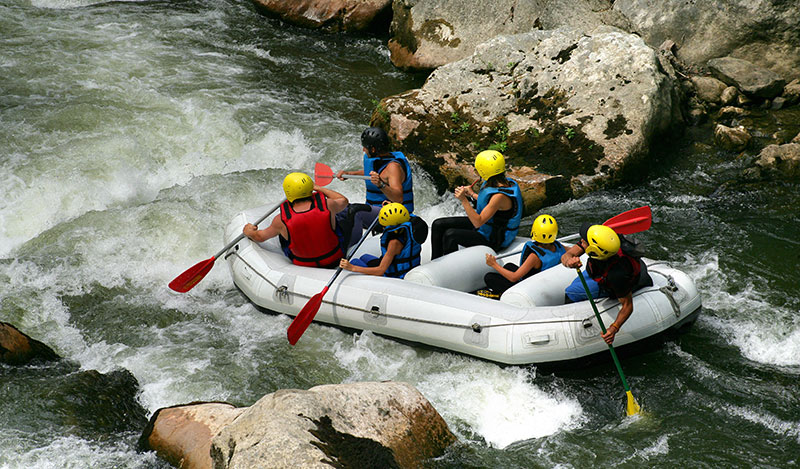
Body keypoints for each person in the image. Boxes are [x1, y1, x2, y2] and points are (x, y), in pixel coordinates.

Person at [561, 223, 653, 344]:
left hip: (610, 282)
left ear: (593, 250)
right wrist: (569, 261)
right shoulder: (605, 241)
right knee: (575, 285)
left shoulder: (617, 275)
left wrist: (614, 328)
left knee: (571, 291)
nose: (581, 241)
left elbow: (628, 306)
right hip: (598, 271)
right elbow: (566, 255)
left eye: (584, 242)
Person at [242, 172, 349, 268]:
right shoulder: (328, 205)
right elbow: (343, 200)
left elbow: (260, 237)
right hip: (335, 259)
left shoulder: (280, 220)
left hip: (304, 263)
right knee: (343, 217)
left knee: (283, 232)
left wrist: (249, 232)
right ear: (310, 188)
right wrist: (318, 188)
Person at [430, 150, 523, 259]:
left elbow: (478, 222)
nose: (476, 171)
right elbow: (491, 207)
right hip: (487, 225)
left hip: (494, 238)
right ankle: (434, 261)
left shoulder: (499, 197)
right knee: (438, 224)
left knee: (450, 235)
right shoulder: (501, 182)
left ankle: (449, 267)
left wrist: (463, 200)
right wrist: (472, 194)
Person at [335, 127, 414, 248]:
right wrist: (350, 174)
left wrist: (381, 185)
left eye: (365, 147)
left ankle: (349, 251)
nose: (363, 149)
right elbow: (371, 172)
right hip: (377, 211)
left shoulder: (394, 167)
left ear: (373, 149)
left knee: (355, 212)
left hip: (395, 216)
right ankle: (336, 245)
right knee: (341, 211)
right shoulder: (375, 159)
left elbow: (398, 198)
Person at [481, 214, 566, 297]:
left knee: (489, 277)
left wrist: (493, 264)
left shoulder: (534, 257)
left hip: (528, 288)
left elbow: (514, 278)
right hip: (541, 282)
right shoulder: (558, 246)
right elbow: (573, 251)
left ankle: (499, 294)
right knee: (508, 266)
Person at [339, 203, 428, 279]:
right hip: (404, 266)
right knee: (364, 257)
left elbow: (380, 271)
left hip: (393, 276)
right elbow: (397, 213)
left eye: (384, 226)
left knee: (354, 261)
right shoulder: (408, 228)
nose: (383, 227)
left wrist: (352, 267)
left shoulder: (394, 243)